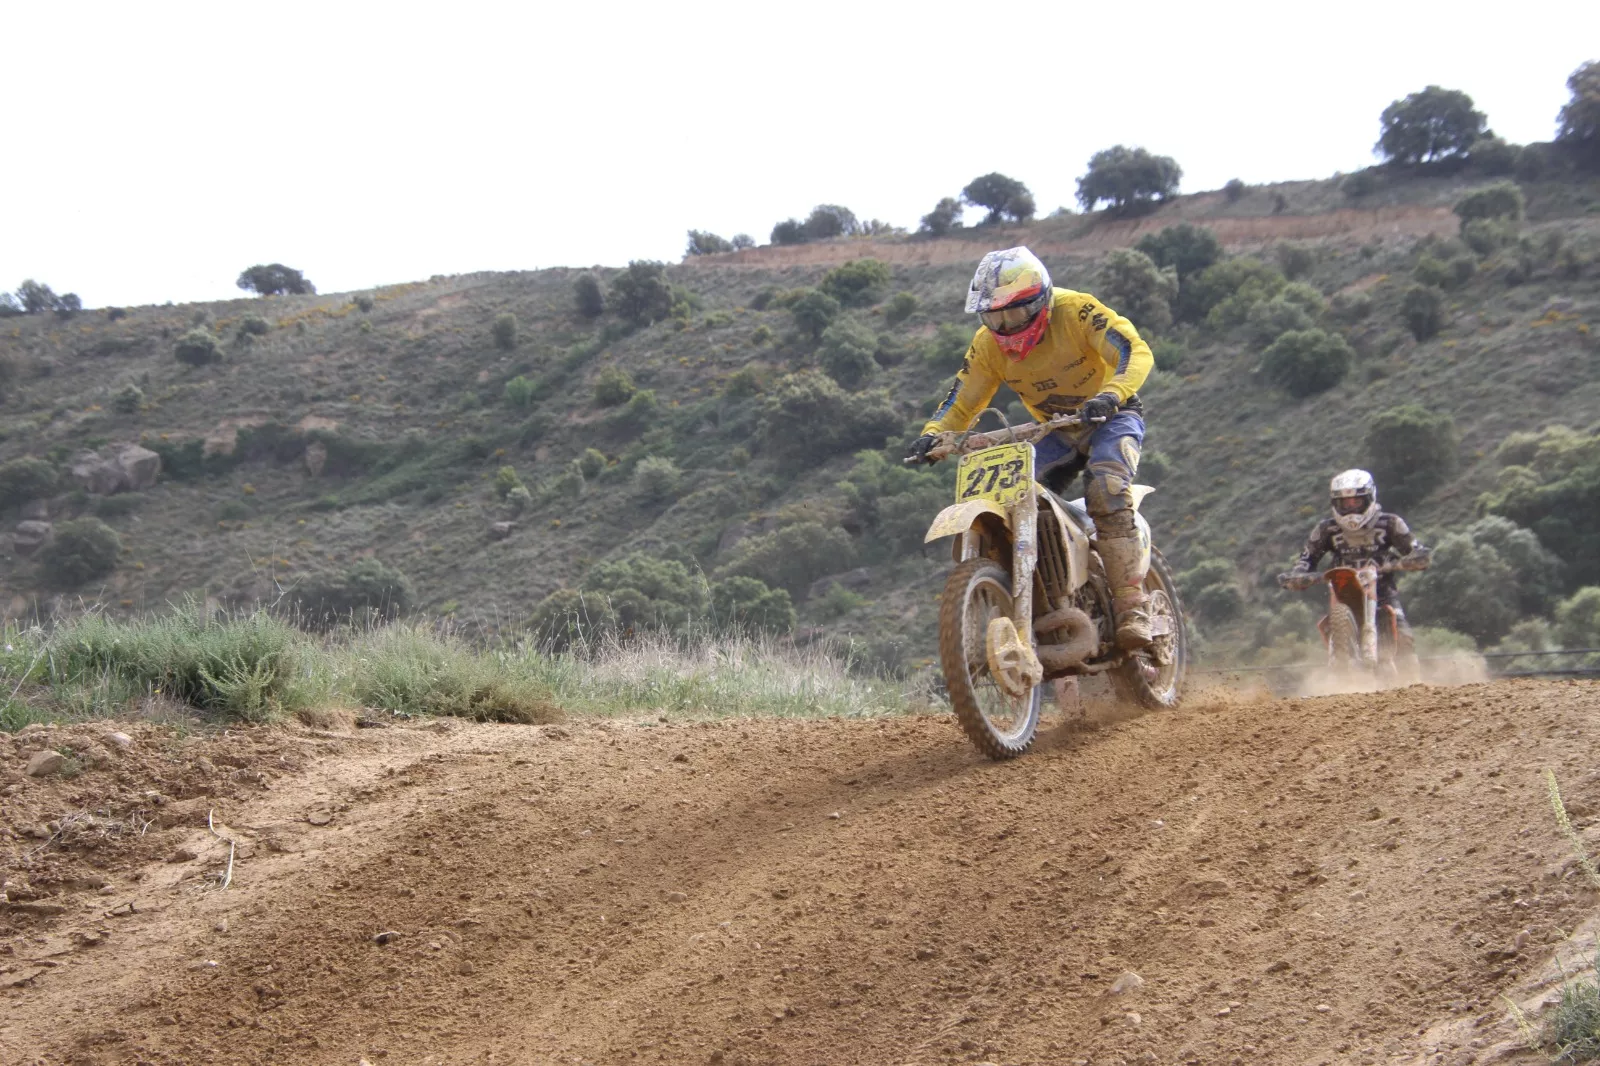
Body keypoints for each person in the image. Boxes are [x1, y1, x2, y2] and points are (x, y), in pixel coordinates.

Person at [906, 246, 1155, 650]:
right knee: (1007, 500)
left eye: (1013, 315)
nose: (1004, 328)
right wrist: (934, 433)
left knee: (1106, 490)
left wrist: (1111, 394)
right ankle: (1041, 596)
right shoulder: (988, 345)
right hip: (1050, 430)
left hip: (1112, 417)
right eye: (993, 317)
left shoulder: (1077, 311)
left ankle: (1131, 606)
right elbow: (963, 398)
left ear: (1040, 301)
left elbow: (1133, 350)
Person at [1278, 469, 1432, 652]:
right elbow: (1306, 559)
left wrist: (1414, 559)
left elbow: (1416, 550)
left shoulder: (1390, 523)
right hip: (1343, 593)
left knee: (1403, 635)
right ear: (1335, 503)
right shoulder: (1327, 529)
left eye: (1356, 501)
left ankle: (1411, 679)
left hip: (1383, 593)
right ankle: (1339, 671)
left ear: (1369, 498)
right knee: (1330, 628)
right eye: (1345, 503)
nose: (1351, 508)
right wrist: (1298, 575)